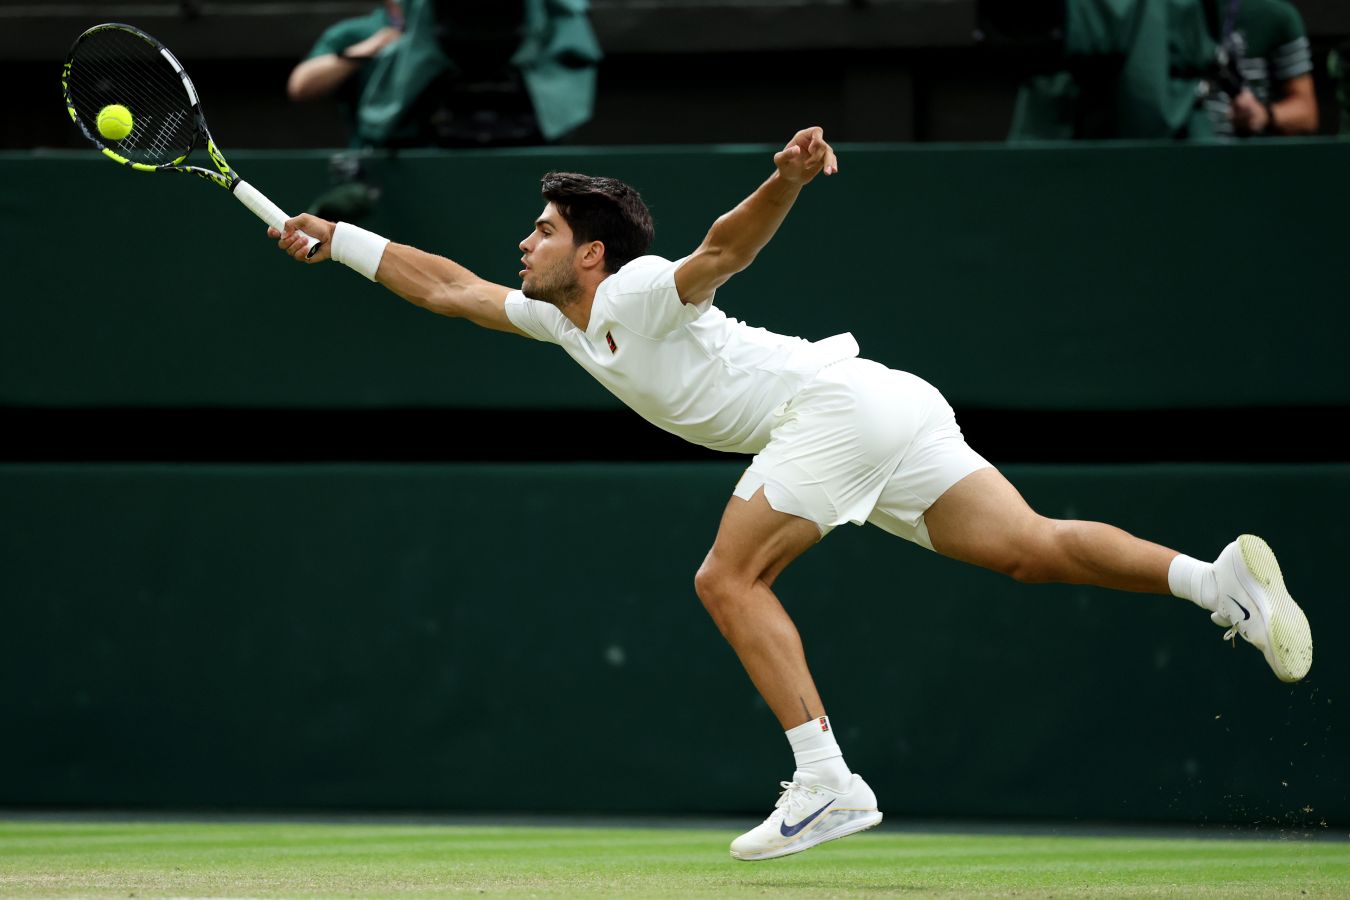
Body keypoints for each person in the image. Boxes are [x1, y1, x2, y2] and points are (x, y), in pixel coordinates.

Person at [268, 126, 1315, 861]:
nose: (522, 244)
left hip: (832, 413)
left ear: (590, 252)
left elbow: (723, 250)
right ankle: (1214, 581)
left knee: (726, 580)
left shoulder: (635, 287)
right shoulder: (561, 319)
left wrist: (788, 180)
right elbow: (447, 286)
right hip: (885, 401)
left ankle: (826, 780)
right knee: (1029, 548)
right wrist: (341, 239)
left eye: (540, 231)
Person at [1204, 0, 1318, 137]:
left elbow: (1306, 114)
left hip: (1245, 146)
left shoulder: (1275, 14)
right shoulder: (1180, 14)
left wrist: (1264, 115)